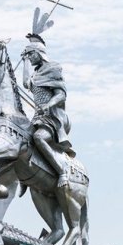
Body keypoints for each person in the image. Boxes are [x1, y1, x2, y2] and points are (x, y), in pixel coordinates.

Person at [22, 34, 74, 187]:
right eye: (28, 55)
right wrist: (24, 60)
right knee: (20, 139)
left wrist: (48, 105)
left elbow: (61, 95)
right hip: (38, 117)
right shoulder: (35, 74)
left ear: (39, 53)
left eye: (31, 54)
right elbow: (26, 83)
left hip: (52, 118)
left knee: (38, 138)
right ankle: (23, 175)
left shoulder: (53, 69)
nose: (30, 58)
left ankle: (62, 171)